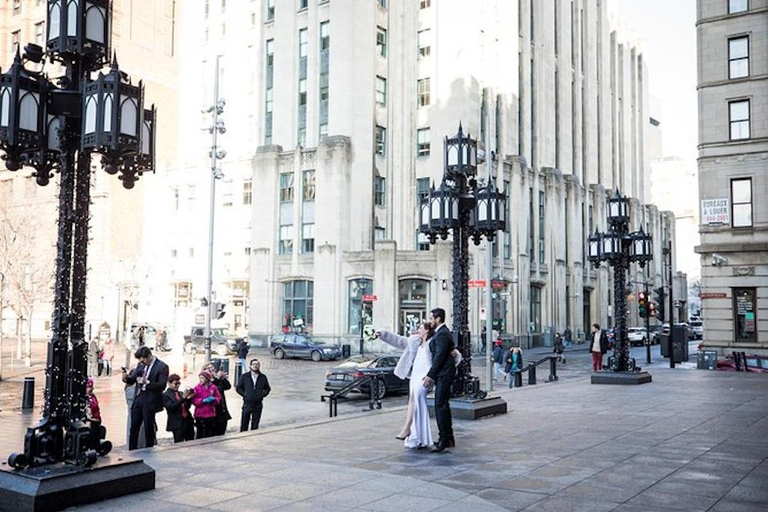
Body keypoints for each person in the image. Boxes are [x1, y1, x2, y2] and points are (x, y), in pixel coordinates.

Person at [377, 323, 462, 449]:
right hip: (415, 375)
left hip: (426, 376)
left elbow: (445, 354)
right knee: (414, 399)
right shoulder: (414, 341)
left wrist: (456, 355)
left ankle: (407, 428)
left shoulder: (434, 341)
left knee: (417, 396)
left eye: (421, 328)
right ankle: (418, 437)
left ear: (427, 331)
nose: (418, 330)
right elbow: (399, 341)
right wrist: (383, 334)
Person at [123, 346, 169, 450]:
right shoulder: (140, 365)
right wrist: (126, 378)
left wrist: (147, 383)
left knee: (148, 426)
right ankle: (132, 449)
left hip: (151, 399)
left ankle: (149, 449)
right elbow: (132, 380)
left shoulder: (162, 367)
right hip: (139, 397)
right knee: (134, 426)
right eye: (139, 359)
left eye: (143, 359)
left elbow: (162, 385)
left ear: (149, 356)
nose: (141, 361)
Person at [423, 307, 455, 453]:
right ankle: (448, 438)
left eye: (431, 318)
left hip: (444, 374)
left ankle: (444, 440)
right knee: (443, 406)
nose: (430, 321)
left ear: (438, 319)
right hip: (443, 373)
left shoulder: (442, 334)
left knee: (440, 406)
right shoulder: (441, 333)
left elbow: (440, 356)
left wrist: (430, 375)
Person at [235, 359, 271, 431]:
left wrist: (262, 395)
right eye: (254, 364)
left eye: (257, 364)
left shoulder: (262, 377)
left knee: (255, 425)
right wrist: (245, 394)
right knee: (244, 424)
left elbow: (267, 388)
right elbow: (238, 388)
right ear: (250, 366)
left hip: (258, 404)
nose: (255, 366)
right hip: (247, 403)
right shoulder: (245, 376)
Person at [163, 374, 195, 443]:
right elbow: (171, 407)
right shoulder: (166, 395)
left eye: (179, 383)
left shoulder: (180, 393)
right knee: (179, 442)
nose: (177, 386)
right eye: (175, 384)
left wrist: (189, 399)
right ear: (169, 383)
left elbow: (186, 407)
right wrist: (183, 399)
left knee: (191, 441)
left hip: (187, 421)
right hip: (177, 422)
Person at [191, 369, 221, 439]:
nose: (201, 380)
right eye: (200, 378)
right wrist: (202, 401)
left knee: (209, 432)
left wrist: (214, 399)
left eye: (203, 378)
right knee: (200, 433)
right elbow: (193, 400)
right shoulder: (197, 388)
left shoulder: (213, 387)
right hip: (200, 414)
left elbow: (218, 397)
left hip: (210, 413)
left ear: (207, 379)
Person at [204, 361, 232, 436]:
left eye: (212, 367)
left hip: (222, 410)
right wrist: (218, 379)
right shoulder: (205, 382)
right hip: (212, 411)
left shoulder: (218, 380)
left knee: (222, 431)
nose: (211, 369)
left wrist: (223, 379)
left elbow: (228, 386)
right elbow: (212, 389)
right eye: (208, 368)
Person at [85, 377, 102, 441]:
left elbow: (96, 407)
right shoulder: (86, 397)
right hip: (91, 422)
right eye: (88, 387)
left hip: (95, 421)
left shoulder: (92, 397)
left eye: (91, 387)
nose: (90, 389)